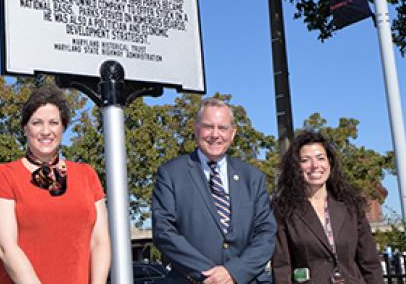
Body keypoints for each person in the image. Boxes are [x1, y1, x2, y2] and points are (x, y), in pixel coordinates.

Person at [0, 85, 110, 284]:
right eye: (37, 123)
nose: (45, 131)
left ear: (63, 128)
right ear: (25, 128)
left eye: (53, 123)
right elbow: (6, 248)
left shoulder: (87, 174)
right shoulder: (5, 175)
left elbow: (100, 242)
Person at [152, 98, 276, 284]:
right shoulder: (171, 174)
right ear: (196, 129)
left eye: (223, 128)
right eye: (208, 126)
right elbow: (164, 232)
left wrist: (233, 273)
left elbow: (266, 234)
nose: (215, 134)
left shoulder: (253, 177)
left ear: (232, 133)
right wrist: (210, 275)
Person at [272, 130, 384, 284]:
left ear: (329, 163)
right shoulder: (284, 210)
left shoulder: (350, 205)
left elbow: (370, 263)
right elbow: (281, 268)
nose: (315, 165)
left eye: (320, 158)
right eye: (305, 160)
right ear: (296, 167)